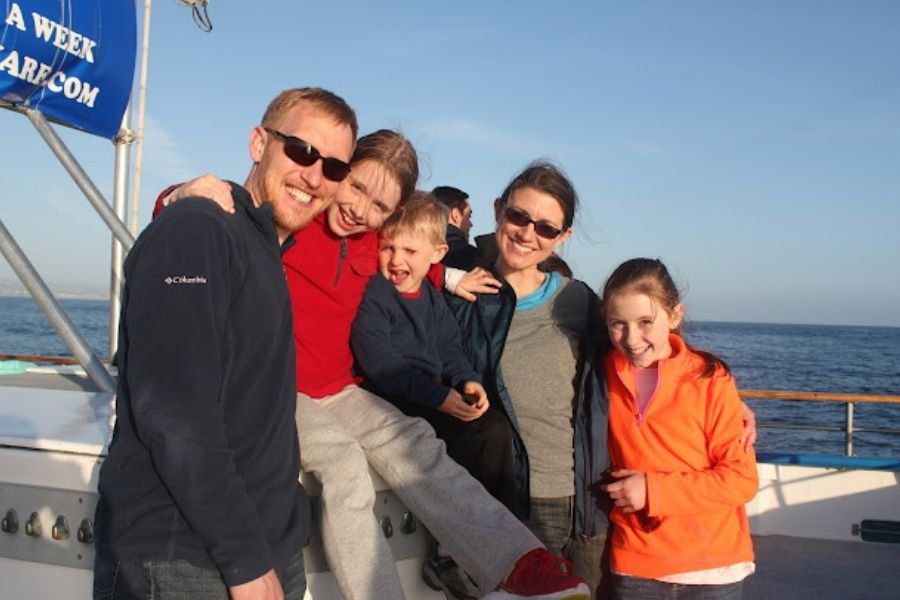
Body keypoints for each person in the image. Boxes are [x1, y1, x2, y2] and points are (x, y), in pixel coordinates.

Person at [157, 139, 591, 600]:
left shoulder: (372, 242)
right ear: (339, 173)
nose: (361, 209)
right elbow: (224, 216)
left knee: (418, 445)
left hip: (342, 389)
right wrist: (177, 195)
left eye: (380, 205)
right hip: (279, 391)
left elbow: (414, 258)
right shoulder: (295, 224)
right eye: (356, 187)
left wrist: (448, 276)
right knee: (344, 466)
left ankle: (519, 563)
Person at [94, 87, 358, 600]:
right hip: (185, 562)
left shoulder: (265, 251)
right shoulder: (199, 230)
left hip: (262, 551)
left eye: (334, 168)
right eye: (302, 151)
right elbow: (175, 413)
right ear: (260, 143)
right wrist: (245, 561)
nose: (314, 176)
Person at [445, 162, 612, 597]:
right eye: (518, 217)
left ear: (563, 238)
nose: (526, 234)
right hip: (501, 501)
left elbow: (637, 363)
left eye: (545, 227)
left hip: (583, 504)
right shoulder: (464, 295)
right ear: (499, 211)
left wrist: (717, 389)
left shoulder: (577, 301)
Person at [600, 257, 758, 599]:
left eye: (645, 321)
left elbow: (741, 480)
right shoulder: (602, 372)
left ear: (674, 315)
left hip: (714, 567)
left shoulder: (711, 380)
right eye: (618, 324)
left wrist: (652, 491)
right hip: (635, 563)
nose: (631, 338)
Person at [432, 184, 479, 269]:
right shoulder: (471, 258)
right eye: (469, 216)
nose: (471, 224)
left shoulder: (420, 252)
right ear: (456, 215)